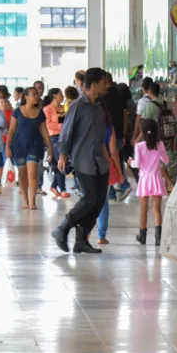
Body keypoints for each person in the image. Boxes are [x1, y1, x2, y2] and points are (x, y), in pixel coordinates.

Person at [53, 68, 111, 254]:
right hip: (83, 160)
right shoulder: (78, 105)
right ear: (94, 84)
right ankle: (62, 228)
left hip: (100, 162)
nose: (107, 85)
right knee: (89, 198)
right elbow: (66, 131)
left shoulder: (100, 108)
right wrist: (63, 155)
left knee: (99, 201)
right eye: (104, 81)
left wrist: (108, 159)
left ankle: (81, 240)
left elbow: (101, 138)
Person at [6, 86, 53, 210]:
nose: (37, 96)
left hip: (35, 146)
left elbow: (45, 131)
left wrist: (50, 148)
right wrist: (7, 147)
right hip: (18, 146)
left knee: (32, 174)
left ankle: (32, 201)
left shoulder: (40, 113)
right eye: (34, 94)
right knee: (22, 175)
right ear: (26, 97)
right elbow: (11, 130)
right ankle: (25, 201)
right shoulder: (17, 111)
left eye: (37, 94)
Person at [133, 119, 172, 246]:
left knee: (144, 208)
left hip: (144, 179)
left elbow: (137, 164)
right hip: (156, 178)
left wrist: (130, 162)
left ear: (142, 132)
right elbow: (166, 161)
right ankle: (158, 238)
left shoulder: (139, 146)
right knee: (157, 209)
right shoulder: (159, 145)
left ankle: (142, 236)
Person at [44, 88, 69, 198]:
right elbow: (48, 124)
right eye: (60, 94)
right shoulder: (47, 109)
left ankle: (54, 185)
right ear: (54, 95)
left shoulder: (65, 107)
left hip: (65, 136)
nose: (63, 96)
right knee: (60, 160)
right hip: (54, 137)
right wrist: (62, 126)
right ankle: (62, 188)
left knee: (64, 161)